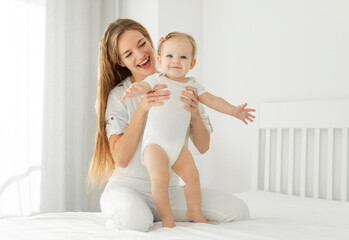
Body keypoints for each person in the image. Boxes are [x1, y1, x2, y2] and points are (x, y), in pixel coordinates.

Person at [88, 19, 251, 232]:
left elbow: (203, 147)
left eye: (142, 43)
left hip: (170, 189)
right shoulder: (121, 95)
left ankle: (153, 214)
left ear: (151, 41)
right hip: (130, 187)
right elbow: (121, 158)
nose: (140, 55)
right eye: (128, 54)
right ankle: (128, 216)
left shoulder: (185, 84)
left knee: (237, 209)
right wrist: (142, 107)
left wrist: (195, 114)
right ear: (121, 62)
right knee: (133, 220)